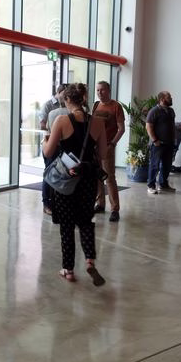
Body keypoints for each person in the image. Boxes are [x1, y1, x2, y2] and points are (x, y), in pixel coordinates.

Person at [43, 83, 107, 286]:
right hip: (88, 178)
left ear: (67, 100)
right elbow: (103, 154)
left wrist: (44, 142)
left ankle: (68, 270)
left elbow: (48, 151)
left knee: (67, 225)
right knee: (86, 220)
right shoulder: (98, 122)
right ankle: (89, 260)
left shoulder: (61, 120)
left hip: (67, 179)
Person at [92, 81, 125, 222]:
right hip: (95, 146)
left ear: (109, 90)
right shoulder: (95, 105)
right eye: (98, 90)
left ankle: (114, 209)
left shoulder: (116, 106)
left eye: (102, 90)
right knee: (98, 176)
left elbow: (121, 129)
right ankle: (100, 204)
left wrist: (112, 144)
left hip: (107, 147)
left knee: (109, 177)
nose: (100, 92)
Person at [39, 84, 67, 215]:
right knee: (49, 173)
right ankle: (46, 204)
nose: (66, 97)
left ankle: (56, 202)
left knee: (60, 173)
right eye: (64, 94)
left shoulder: (66, 105)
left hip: (62, 145)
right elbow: (42, 125)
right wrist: (55, 131)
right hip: (50, 144)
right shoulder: (48, 105)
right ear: (58, 92)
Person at [146, 91, 176, 194]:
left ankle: (163, 185)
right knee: (155, 165)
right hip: (158, 144)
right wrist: (155, 140)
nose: (171, 98)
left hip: (169, 143)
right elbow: (148, 126)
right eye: (169, 97)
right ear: (162, 99)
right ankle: (151, 186)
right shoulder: (154, 111)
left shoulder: (171, 111)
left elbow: (172, 125)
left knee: (167, 165)